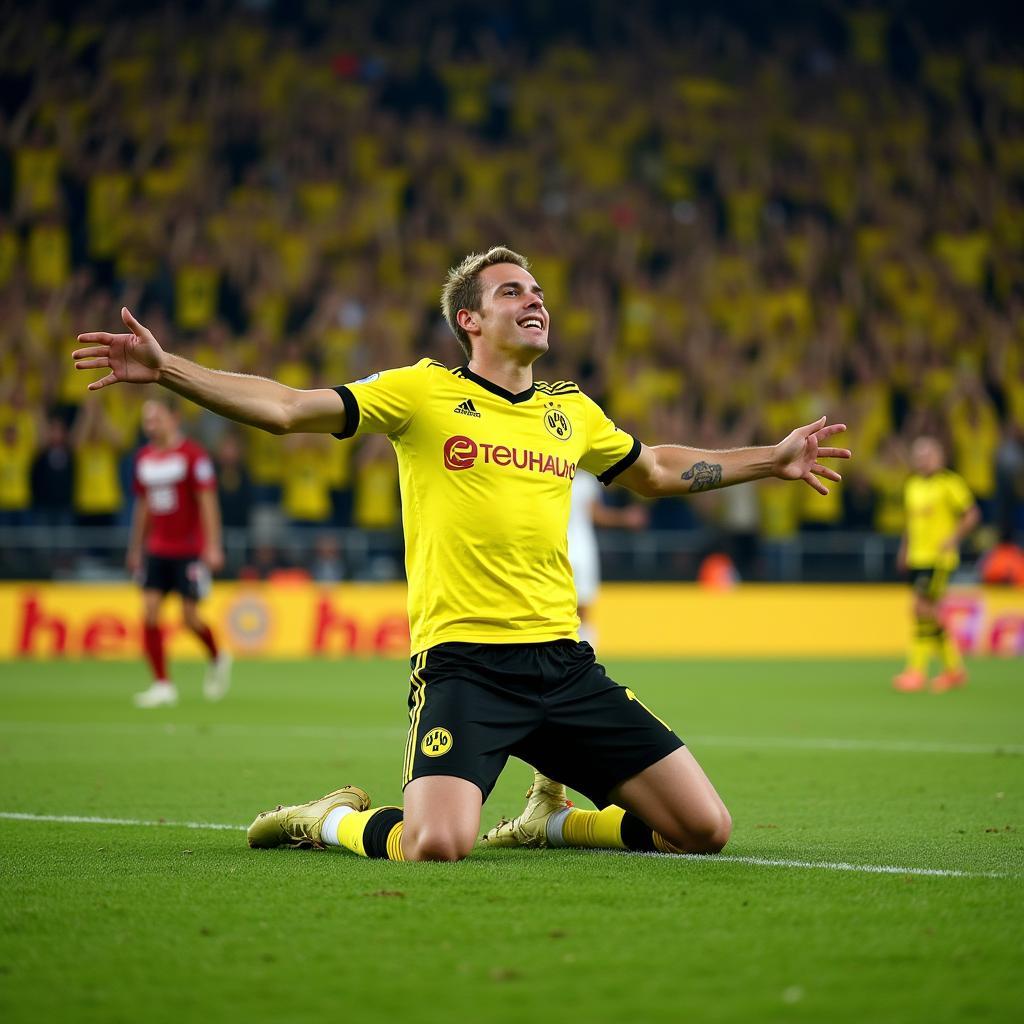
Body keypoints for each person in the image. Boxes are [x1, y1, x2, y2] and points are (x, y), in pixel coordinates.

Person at [74, 245, 849, 861]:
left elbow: (653, 471)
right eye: (513, 291)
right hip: (465, 667)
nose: (535, 299)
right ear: (470, 321)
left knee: (704, 830)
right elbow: (285, 408)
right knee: (436, 845)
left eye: (538, 290)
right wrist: (168, 369)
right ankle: (327, 820)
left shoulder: (569, 410)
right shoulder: (421, 392)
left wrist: (769, 459)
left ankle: (549, 826)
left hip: (562, 664)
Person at [127, 396, 232, 708]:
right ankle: (162, 684)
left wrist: (213, 545)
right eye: (147, 419)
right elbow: (143, 506)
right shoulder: (143, 458)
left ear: (174, 418)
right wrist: (136, 547)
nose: (150, 425)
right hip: (157, 548)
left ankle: (217, 657)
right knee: (149, 611)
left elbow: (207, 502)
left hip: (188, 550)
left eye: (156, 418)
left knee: (189, 618)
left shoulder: (193, 456)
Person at [893, 436, 980, 694]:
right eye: (919, 455)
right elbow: (911, 523)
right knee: (929, 612)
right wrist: (904, 549)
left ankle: (916, 672)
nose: (923, 459)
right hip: (918, 557)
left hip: (938, 559)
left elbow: (972, 514)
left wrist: (953, 539)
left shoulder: (949, 483)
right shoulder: (912, 485)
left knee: (922, 609)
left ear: (940, 456)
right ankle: (954, 670)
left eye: (928, 454)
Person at [568, 469, 647, 645]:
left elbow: (596, 514)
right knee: (582, 609)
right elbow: (597, 515)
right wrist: (625, 518)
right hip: (579, 550)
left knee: (579, 607)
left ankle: (585, 653)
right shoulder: (584, 478)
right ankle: (585, 653)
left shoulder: (583, 479)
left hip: (576, 548)